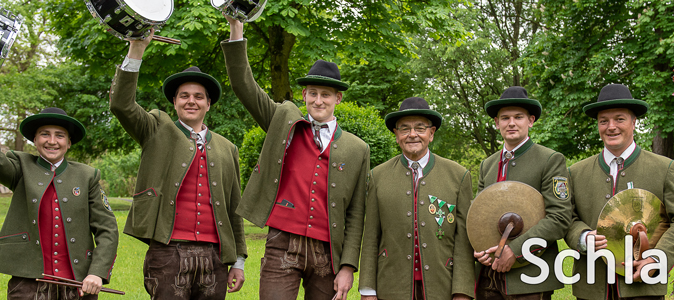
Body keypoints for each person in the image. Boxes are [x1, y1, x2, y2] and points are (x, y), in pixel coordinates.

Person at [221, 15, 370, 300]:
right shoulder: (283, 122)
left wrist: (348, 266)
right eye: (312, 93)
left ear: (338, 99)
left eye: (326, 94)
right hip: (282, 243)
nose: (318, 100)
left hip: (328, 251)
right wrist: (237, 28)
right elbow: (244, 85)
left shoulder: (357, 148)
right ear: (304, 95)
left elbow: (356, 213)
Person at [109, 31, 246, 299]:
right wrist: (136, 50)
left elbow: (234, 207)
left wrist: (238, 261)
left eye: (198, 96)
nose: (190, 101)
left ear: (209, 104)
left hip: (214, 255)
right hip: (168, 251)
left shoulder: (228, 148)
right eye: (183, 96)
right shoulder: (156, 127)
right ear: (174, 102)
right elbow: (121, 104)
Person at [0, 91, 118, 300]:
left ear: (69, 142)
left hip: (78, 285)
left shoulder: (87, 176)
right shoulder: (20, 167)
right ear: (35, 140)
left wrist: (97, 272)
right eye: (45, 134)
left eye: (60, 135)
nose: (52, 141)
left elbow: (107, 229)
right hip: (28, 285)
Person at [565, 83, 674, 299]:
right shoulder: (576, 172)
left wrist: (657, 259)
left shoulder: (664, 168)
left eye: (619, 119)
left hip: (643, 287)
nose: (611, 127)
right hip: (592, 287)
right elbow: (566, 218)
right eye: (603, 121)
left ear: (634, 122)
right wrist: (582, 237)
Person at [359, 97, 475, 300]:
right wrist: (368, 290)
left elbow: (463, 240)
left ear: (431, 133)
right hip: (391, 287)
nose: (412, 134)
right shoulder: (377, 176)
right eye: (405, 129)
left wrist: (462, 291)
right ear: (396, 135)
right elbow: (370, 237)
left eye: (420, 128)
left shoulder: (459, 176)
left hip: (442, 286)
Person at [472, 86, 573, 300]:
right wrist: (479, 248)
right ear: (496, 123)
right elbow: (478, 217)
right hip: (488, 278)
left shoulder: (550, 160)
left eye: (518, 117)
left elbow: (560, 218)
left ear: (531, 120)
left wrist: (516, 251)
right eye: (505, 117)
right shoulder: (487, 165)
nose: (511, 123)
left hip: (530, 278)